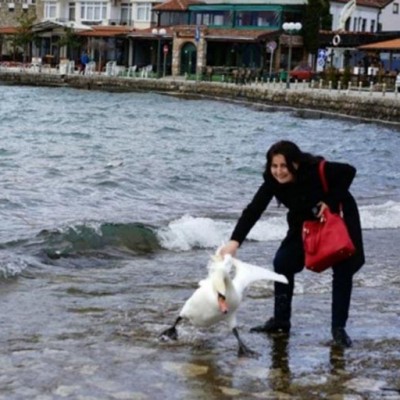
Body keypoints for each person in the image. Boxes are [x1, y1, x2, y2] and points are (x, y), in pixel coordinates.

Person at [220, 140, 364, 348]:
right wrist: (235, 241)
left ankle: (338, 329)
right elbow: (254, 210)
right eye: (274, 166)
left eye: (283, 166)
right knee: (282, 263)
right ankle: (281, 321)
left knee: (343, 269)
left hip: (336, 221)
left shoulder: (315, 170)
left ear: (295, 163)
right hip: (303, 223)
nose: (279, 172)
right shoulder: (272, 181)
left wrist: (330, 201)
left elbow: (349, 171)